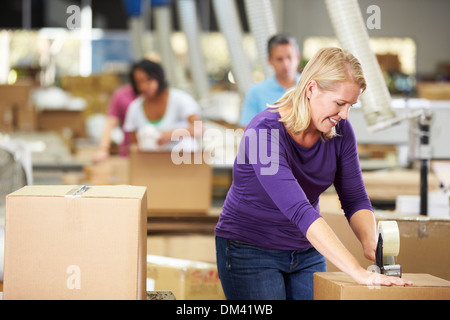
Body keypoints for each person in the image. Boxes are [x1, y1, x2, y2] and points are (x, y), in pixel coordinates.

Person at [215, 47, 412, 300]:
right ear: (311, 89)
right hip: (250, 249)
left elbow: (355, 199)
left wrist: (371, 243)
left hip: (306, 250)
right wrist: (356, 271)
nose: (344, 115)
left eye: (351, 105)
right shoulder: (263, 133)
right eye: (340, 103)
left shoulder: (341, 132)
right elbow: (298, 209)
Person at [123, 59, 202, 150]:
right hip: (151, 162)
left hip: (183, 159)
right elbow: (134, 143)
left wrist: (169, 135)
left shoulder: (180, 99)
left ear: (159, 78)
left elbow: (199, 129)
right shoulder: (134, 107)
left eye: (149, 80)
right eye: (139, 82)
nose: (144, 86)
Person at [239, 33, 301, 127]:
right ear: (270, 61)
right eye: (279, 59)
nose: (286, 64)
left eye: (289, 57)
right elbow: (247, 130)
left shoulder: (312, 88)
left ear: (297, 57)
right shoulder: (256, 92)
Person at [92, 82, 137, 163]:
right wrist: (103, 149)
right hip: (128, 156)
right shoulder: (123, 97)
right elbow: (110, 124)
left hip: (157, 156)